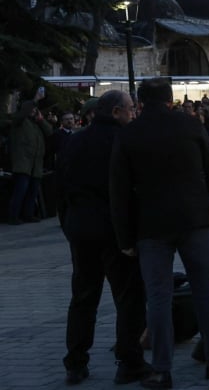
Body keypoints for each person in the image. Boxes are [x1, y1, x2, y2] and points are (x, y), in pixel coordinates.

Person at [109, 78, 209, 388]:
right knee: (206, 290)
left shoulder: (129, 134)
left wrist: (125, 239)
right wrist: (198, 196)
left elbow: (119, 191)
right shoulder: (190, 125)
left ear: (140, 103)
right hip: (195, 219)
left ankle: (161, 369)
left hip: (151, 225)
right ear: (169, 100)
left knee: (158, 298)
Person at [58, 90, 150, 385]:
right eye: (130, 109)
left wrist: (69, 224)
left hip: (81, 229)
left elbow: (60, 187)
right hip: (114, 231)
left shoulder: (74, 140)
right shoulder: (122, 142)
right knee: (128, 297)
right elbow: (130, 191)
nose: (133, 114)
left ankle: (75, 362)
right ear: (115, 112)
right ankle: (129, 361)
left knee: (83, 297)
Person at [8, 99, 52, 224]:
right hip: (23, 163)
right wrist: (32, 103)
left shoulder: (37, 124)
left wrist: (41, 119)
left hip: (36, 164)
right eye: (32, 109)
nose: (34, 111)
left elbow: (49, 132)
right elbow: (19, 117)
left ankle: (28, 214)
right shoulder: (20, 122)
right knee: (20, 191)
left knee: (32, 192)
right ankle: (14, 216)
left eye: (35, 109)